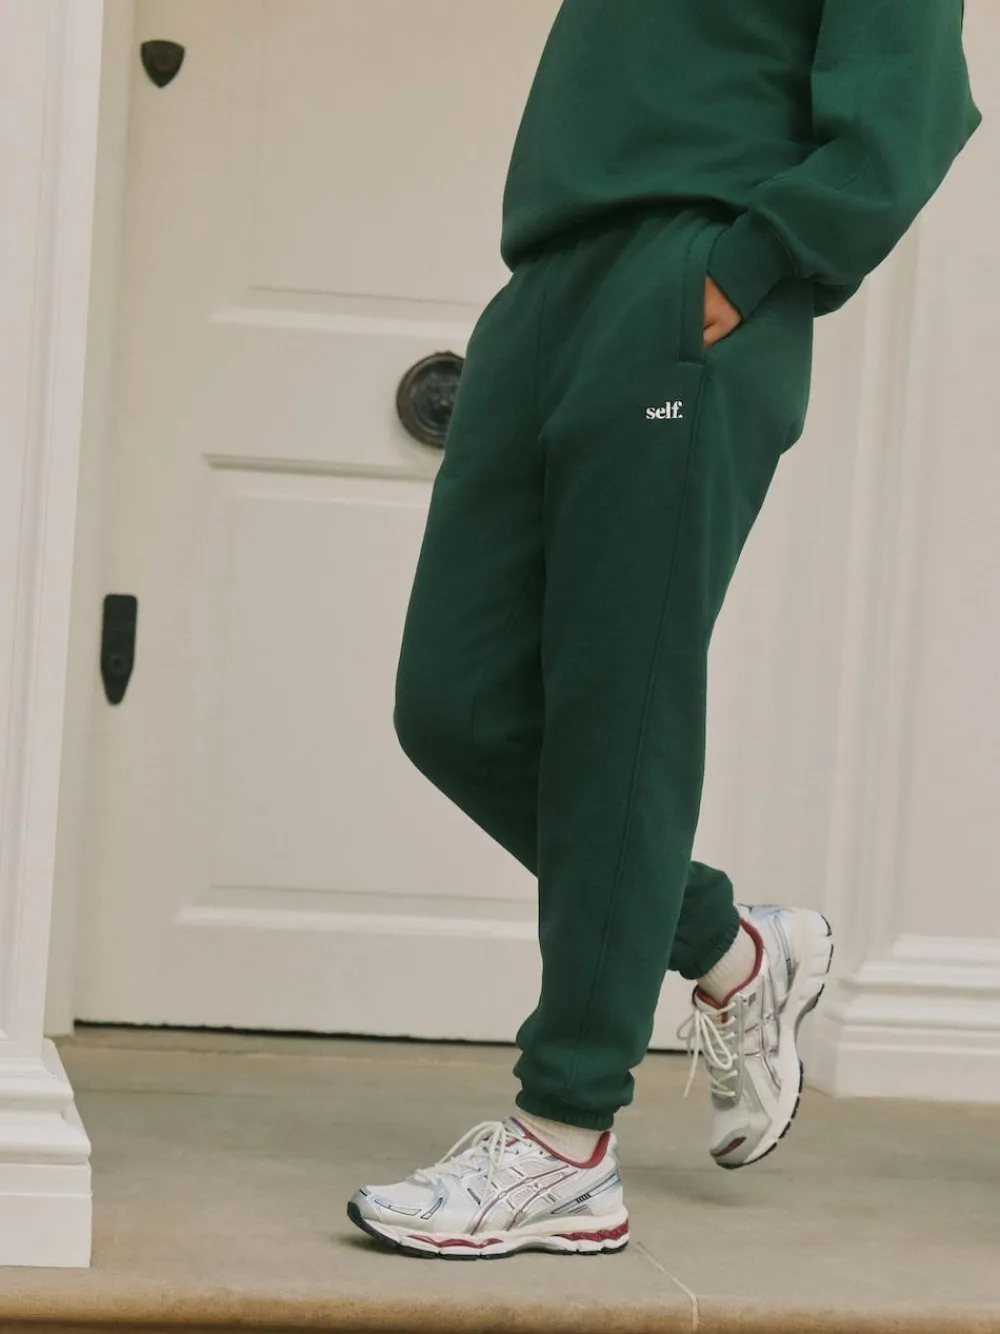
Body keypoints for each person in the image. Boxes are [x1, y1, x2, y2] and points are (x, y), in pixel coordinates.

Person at [348, 0, 981, 1258]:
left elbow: (909, 111)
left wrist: (747, 267)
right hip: (544, 282)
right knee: (454, 707)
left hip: (688, 281)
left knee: (617, 712)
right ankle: (725, 947)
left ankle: (566, 1137)